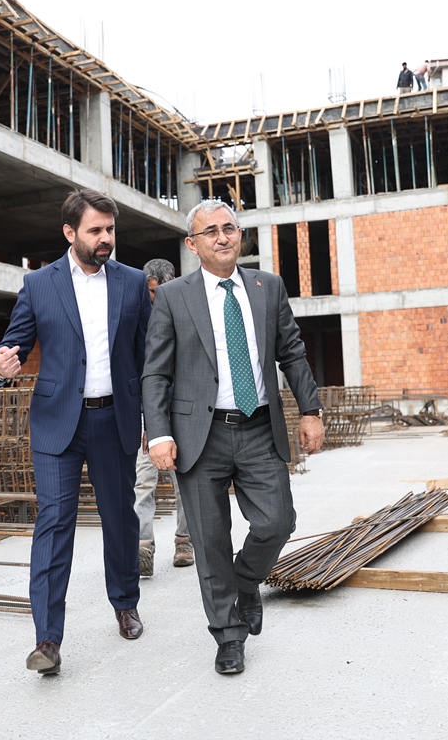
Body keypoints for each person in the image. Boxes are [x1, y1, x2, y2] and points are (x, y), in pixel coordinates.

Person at [141, 200, 324, 676]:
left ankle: (245, 582)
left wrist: (310, 410)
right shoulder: (174, 297)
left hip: (259, 427)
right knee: (209, 542)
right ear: (192, 244)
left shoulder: (268, 286)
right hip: (199, 436)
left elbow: (292, 352)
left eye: (229, 228)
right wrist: (158, 433)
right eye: (211, 231)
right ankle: (228, 635)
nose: (222, 237)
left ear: (240, 234)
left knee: (277, 522)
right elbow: (156, 372)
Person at [0, 188, 152, 676]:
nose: (106, 238)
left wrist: (155, 420)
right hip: (57, 420)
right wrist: (0, 366)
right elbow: (13, 343)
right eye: (95, 230)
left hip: (114, 418)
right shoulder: (39, 284)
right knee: (55, 522)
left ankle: (125, 602)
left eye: (110, 230)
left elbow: (148, 357)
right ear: (69, 232)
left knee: (118, 517)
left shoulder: (132, 282)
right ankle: (47, 639)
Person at [134, 258, 192, 576]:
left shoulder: (185, 315)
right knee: (143, 481)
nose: (154, 298)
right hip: (148, 415)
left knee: (184, 482)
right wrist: (149, 420)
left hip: (181, 412)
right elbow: (143, 376)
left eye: (159, 291)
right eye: (150, 292)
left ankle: (184, 541)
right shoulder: (138, 320)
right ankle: (143, 547)